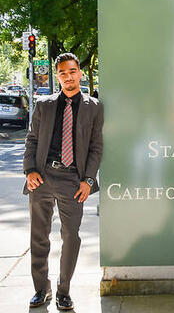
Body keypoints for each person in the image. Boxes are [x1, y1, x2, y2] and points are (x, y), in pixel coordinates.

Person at [23, 53, 104, 310]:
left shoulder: (94, 107)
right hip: (43, 177)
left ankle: (64, 290)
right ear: (57, 77)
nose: (68, 77)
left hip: (72, 180)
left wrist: (88, 180)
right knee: (39, 236)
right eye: (62, 73)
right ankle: (41, 288)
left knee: (71, 236)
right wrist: (30, 171)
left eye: (71, 71)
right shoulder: (44, 105)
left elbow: (95, 147)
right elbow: (32, 140)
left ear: (80, 72)